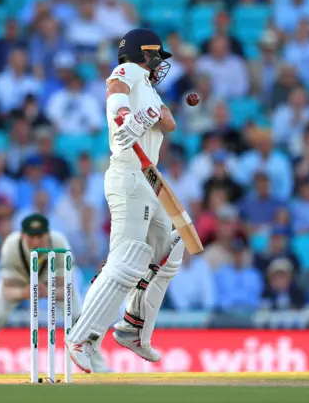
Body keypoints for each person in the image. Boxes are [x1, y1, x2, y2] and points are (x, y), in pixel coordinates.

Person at [65, 28, 177, 373]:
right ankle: (82, 337)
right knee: (128, 258)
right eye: (157, 55)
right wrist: (126, 117)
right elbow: (115, 90)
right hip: (129, 173)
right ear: (144, 53)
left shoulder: (149, 89)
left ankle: (132, 327)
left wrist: (148, 116)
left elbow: (170, 123)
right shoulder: (129, 72)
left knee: (169, 251)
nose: (161, 63)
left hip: (149, 178)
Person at [0, 213, 109, 373]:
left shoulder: (59, 242)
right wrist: (24, 292)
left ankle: (100, 367)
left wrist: (49, 291)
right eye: (31, 237)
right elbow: (7, 290)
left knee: (78, 318)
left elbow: (67, 287)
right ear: (23, 235)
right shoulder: (12, 245)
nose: (36, 242)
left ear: (47, 234)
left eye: (40, 236)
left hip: (51, 280)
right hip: (21, 280)